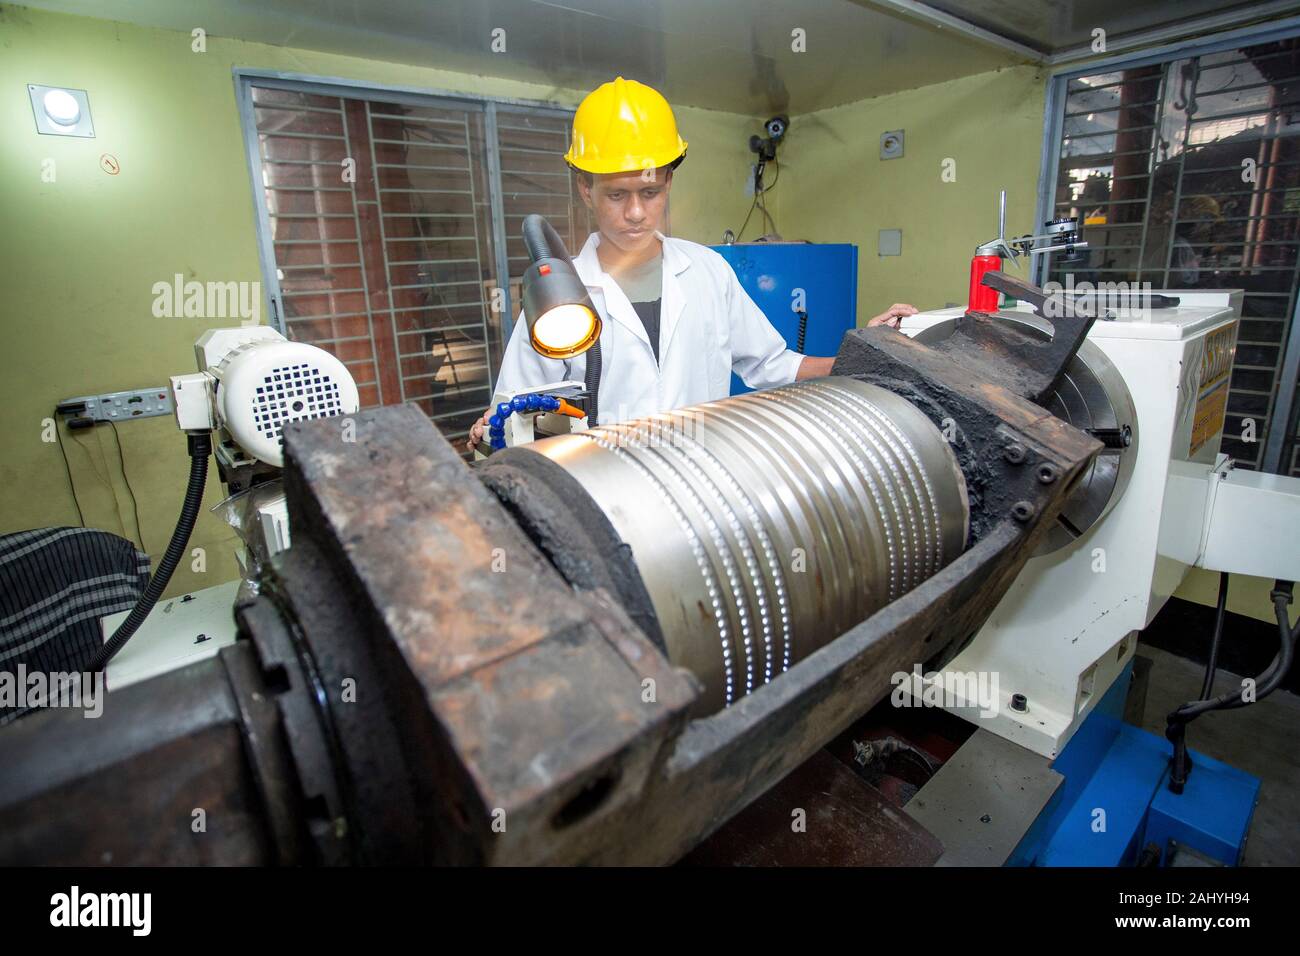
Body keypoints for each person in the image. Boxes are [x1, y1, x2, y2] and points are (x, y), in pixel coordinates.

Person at [468, 77, 916, 450]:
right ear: (586, 190)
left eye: (650, 193)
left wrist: (866, 354)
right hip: (604, 492)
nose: (636, 213)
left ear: (669, 181)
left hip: (701, 483)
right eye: (617, 195)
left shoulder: (708, 272)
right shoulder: (558, 300)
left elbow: (775, 364)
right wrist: (491, 431)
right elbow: (515, 414)